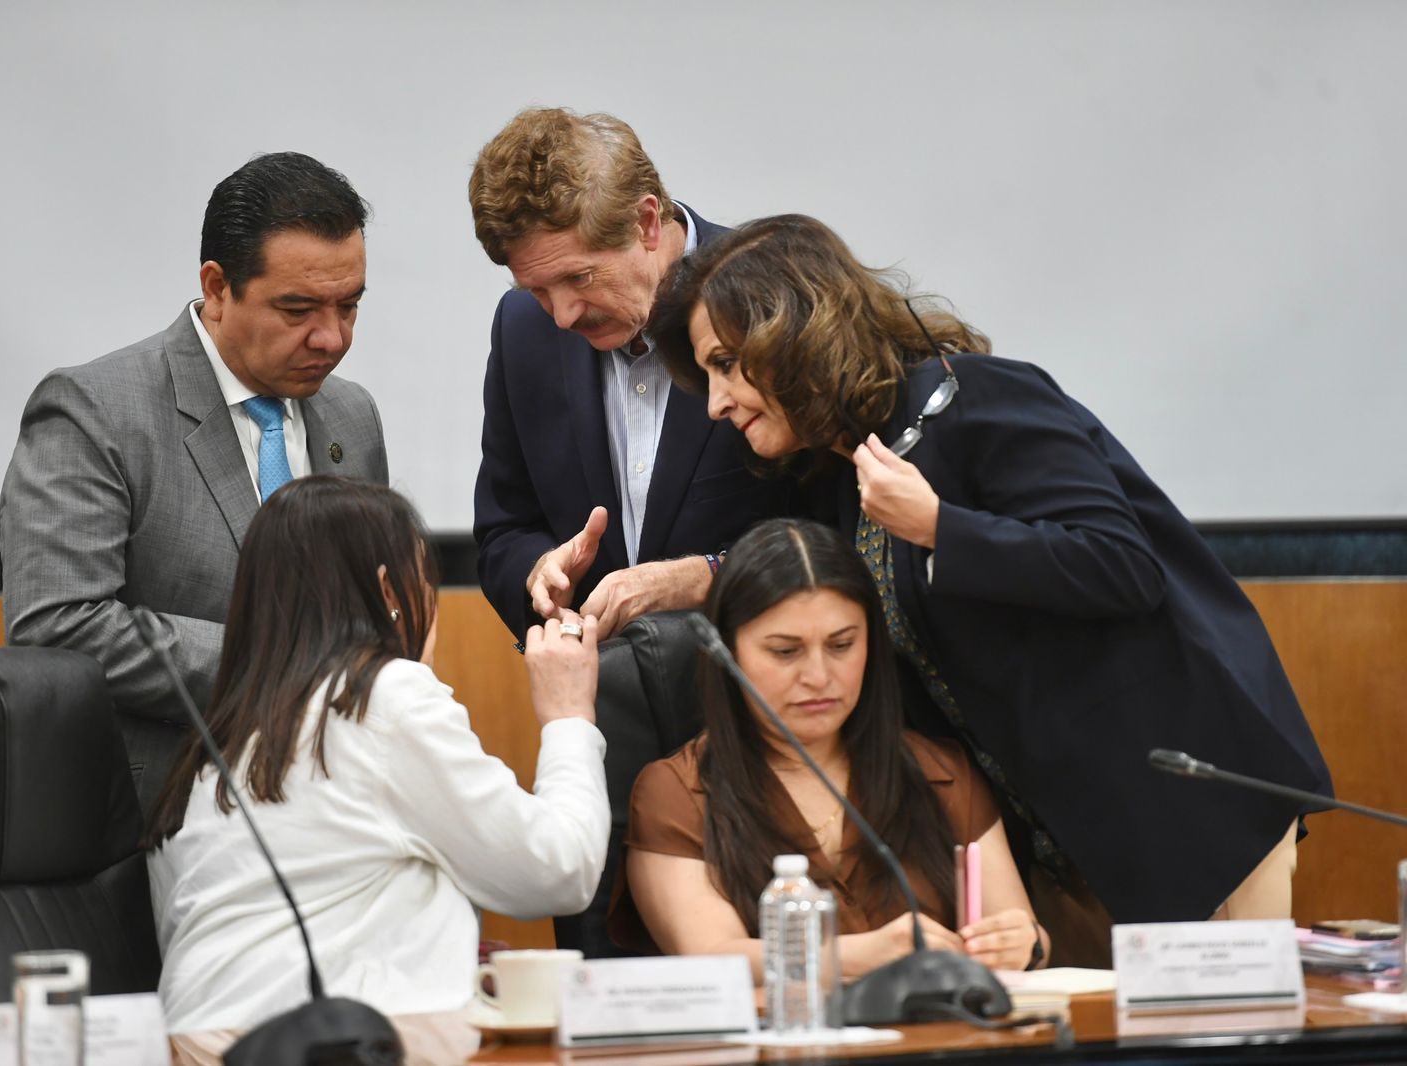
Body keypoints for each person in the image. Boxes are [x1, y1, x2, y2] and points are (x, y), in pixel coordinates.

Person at [648, 214, 1331, 964]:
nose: (716, 403)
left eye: (727, 365)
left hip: (1183, 813)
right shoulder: (840, 479)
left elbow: (1122, 565)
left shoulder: (977, 398)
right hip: (1064, 846)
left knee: (1221, 1026)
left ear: (795, 334)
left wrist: (941, 527)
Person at [144, 476, 609, 1031]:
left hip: (196, 1045)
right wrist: (568, 715)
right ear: (390, 591)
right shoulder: (384, 697)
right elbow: (561, 869)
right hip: (335, 1047)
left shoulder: (219, 735)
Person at [0, 152, 389, 811]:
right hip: (161, 814)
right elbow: (57, 626)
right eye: (297, 309)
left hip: (337, 807)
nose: (331, 338)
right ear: (217, 287)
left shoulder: (353, 415)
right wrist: (283, 665)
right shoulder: (97, 411)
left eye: (348, 306)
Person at [617, 518, 1046, 976]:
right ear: (727, 652)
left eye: (841, 645)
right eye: (786, 651)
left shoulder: (939, 772)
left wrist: (1023, 945)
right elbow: (713, 958)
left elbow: (1027, 936)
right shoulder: (677, 794)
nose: (819, 677)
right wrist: (863, 955)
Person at [467, 107, 793, 641]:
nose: (563, 316)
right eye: (538, 289)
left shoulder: (773, 296)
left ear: (646, 223)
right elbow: (505, 527)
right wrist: (538, 572)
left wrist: (706, 577)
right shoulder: (521, 329)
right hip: (601, 683)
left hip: (758, 682)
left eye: (579, 277)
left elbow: (837, 529)